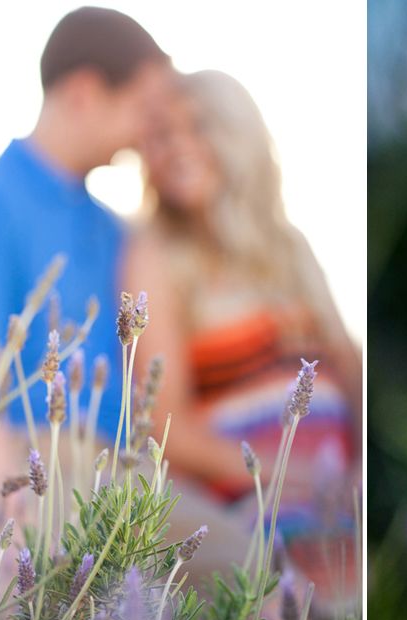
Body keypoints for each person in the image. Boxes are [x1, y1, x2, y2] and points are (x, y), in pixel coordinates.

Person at [123, 71, 362, 589]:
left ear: (240, 133)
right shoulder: (157, 255)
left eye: (199, 127)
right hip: (252, 506)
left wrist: (360, 472)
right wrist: (283, 475)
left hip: (344, 502)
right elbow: (164, 425)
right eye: (162, 136)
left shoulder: (291, 246)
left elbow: (349, 365)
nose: (178, 147)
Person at [0, 7, 173, 454]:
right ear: (84, 93)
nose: (146, 133)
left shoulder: (116, 231)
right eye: (143, 109)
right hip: (35, 475)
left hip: (120, 478)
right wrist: (0, 515)